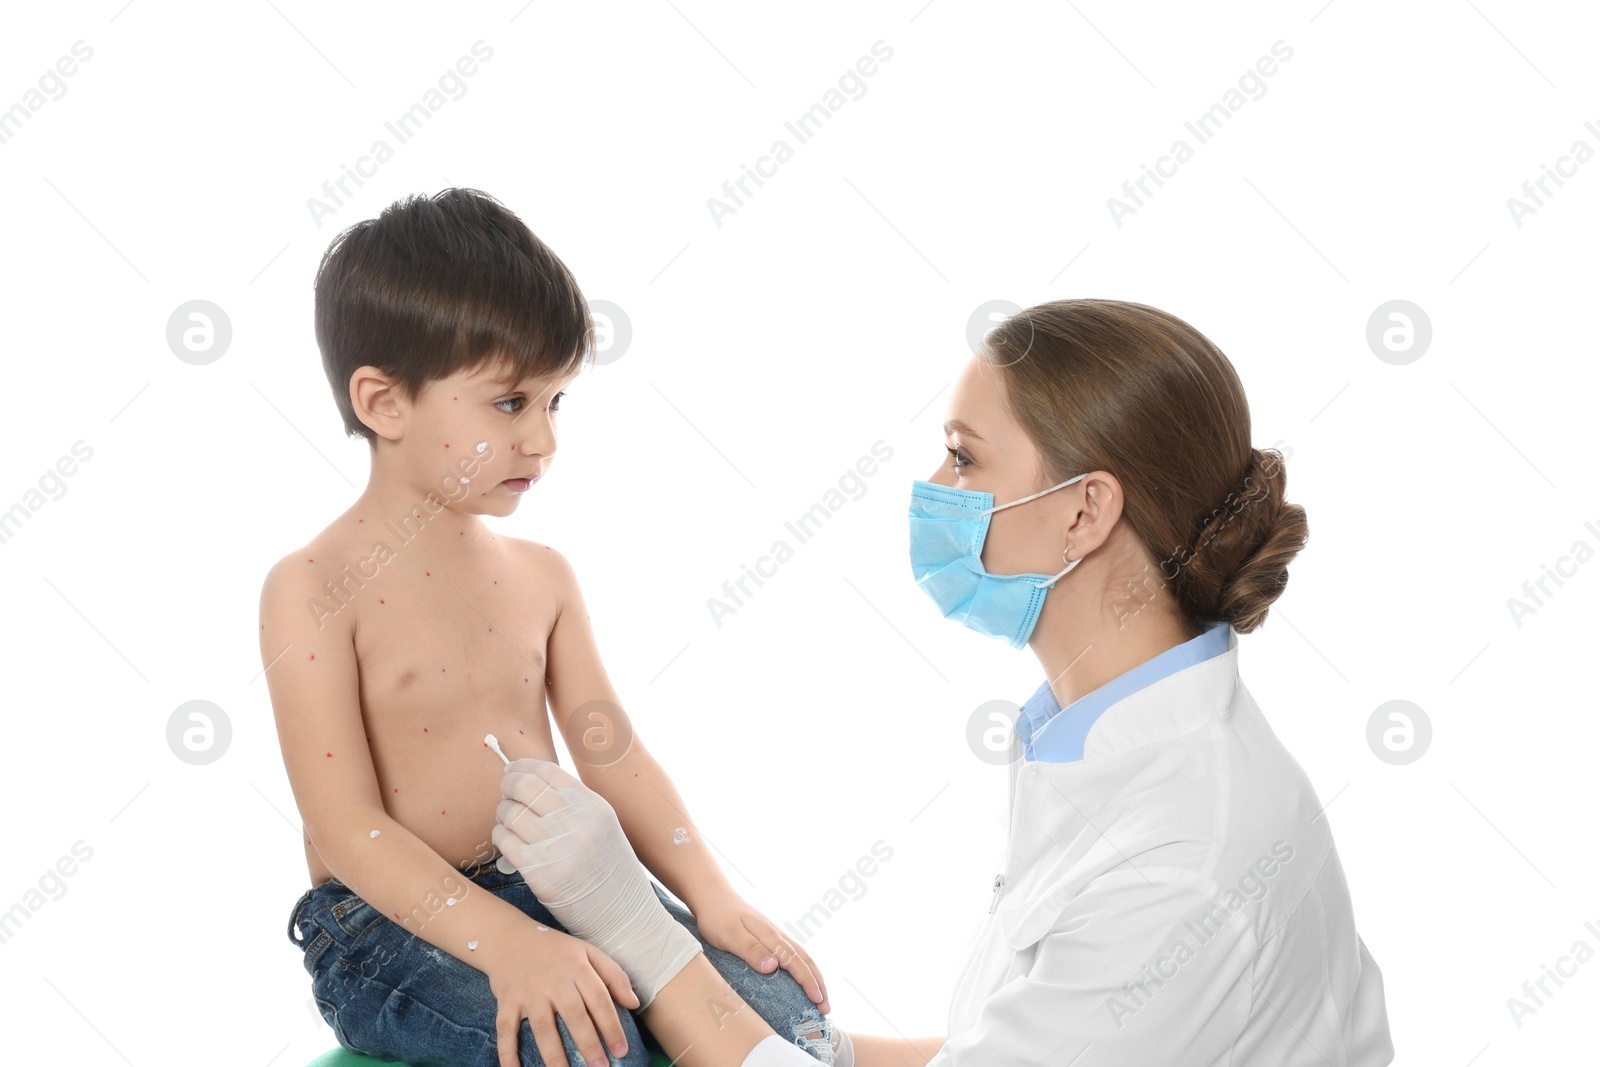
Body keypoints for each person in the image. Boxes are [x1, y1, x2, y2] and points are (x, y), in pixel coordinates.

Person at [494, 298, 1395, 1066]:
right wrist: (830, 1049)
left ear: (1085, 510)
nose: (933, 487)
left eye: (964, 459)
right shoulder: (1104, 732)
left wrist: (642, 936)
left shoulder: (1183, 861)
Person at [264, 187, 835, 1067]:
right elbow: (345, 826)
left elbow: (613, 753)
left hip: (561, 877)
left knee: (782, 1013)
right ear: (383, 402)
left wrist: (709, 894)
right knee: (596, 1048)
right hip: (388, 924)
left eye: (557, 402)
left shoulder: (542, 577)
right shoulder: (312, 588)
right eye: (509, 404)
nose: (544, 440)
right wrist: (510, 943)